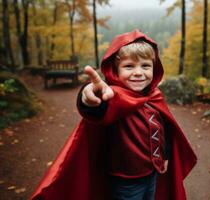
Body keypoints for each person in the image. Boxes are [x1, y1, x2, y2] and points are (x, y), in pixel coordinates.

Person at [30, 29, 197, 200]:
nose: (138, 72)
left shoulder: (155, 97)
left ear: (155, 68)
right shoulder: (115, 96)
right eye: (129, 66)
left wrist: (166, 155)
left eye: (145, 65)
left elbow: (165, 129)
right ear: (116, 71)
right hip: (126, 180)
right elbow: (99, 108)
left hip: (153, 171)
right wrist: (88, 96)